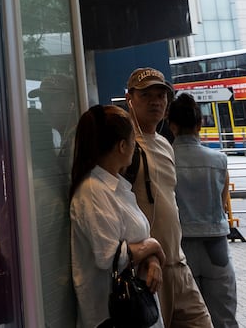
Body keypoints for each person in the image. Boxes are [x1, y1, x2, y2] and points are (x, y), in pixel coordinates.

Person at [123, 68, 214, 328]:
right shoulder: (124, 145)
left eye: (161, 95)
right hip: (147, 270)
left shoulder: (165, 144)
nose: (156, 101)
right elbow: (122, 209)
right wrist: (147, 256)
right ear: (130, 98)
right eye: (146, 95)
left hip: (178, 262)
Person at [69, 104, 166, 328]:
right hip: (112, 316)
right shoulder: (94, 191)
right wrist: (153, 247)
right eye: (134, 139)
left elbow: (132, 239)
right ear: (122, 146)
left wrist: (151, 260)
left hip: (135, 309)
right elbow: (109, 256)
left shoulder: (114, 186)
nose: (136, 146)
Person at [167, 93, 239, 328]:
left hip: (181, 248)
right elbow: (222, 199)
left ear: (172, 126)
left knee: (189, 320)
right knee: (224, 317)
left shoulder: (165, 160)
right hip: (216, 247)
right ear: (200, 125)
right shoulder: (219, 159)